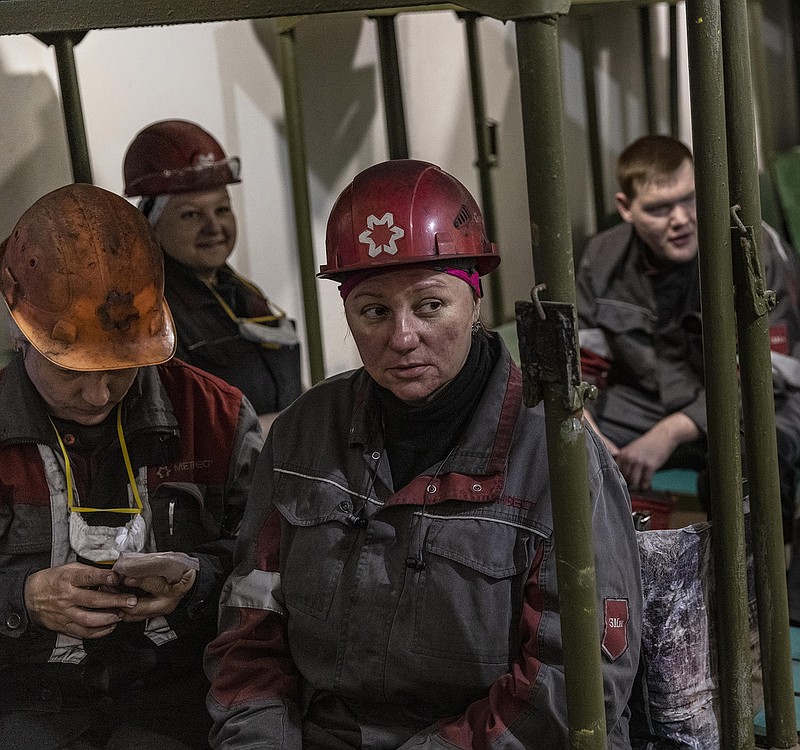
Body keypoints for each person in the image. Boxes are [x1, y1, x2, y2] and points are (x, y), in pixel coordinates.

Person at [205, 159, 642, 748]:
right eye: (375, 311)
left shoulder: (554, 455)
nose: (403, 337)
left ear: (474, 302)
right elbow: (250, 627)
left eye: (430, 306)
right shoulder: (305, 435)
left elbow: (577, 684)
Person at [0, 183, 263, 749]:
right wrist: (22, 598)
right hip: (25, 705)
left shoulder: (216, 418)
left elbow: (271, 566)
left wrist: (197, 581)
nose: (98, 396)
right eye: (71, 369)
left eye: (119, 367)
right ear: (21, 333)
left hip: (177, 698)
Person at [575, 135, 800, 542]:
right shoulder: (602, 257)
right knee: (554, 441)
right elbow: (584, 366)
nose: (680, 219)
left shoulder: (751, 245)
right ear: (625, 208)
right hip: (645, 405)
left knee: (758, 456)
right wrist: (585, 429)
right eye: (659, 209)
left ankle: (762, 589)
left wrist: (672, 431)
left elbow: (770, 370)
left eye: (690, 199)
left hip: (754, 402)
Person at [123, 119, 303, 435]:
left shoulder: (241, 293)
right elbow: (176, 432)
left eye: (222, 210)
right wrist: (288, 430)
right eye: (191, 214)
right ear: (150, 225)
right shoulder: (151, 316)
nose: (214, 226)